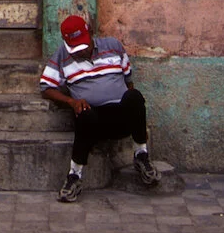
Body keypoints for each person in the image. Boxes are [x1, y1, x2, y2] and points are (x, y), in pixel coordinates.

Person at [40, 13, 160, 202]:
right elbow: (46, 87)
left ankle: (141, 155)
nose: (80, 51)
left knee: (134, 97)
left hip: (120, 116)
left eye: (83, 45)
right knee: (84, 114)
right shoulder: (62, 56)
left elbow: (129, 81)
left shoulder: (113, 46)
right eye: (75, 48)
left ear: (91, 33)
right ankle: (74, 176)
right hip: (93, 120)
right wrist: (71, 102)